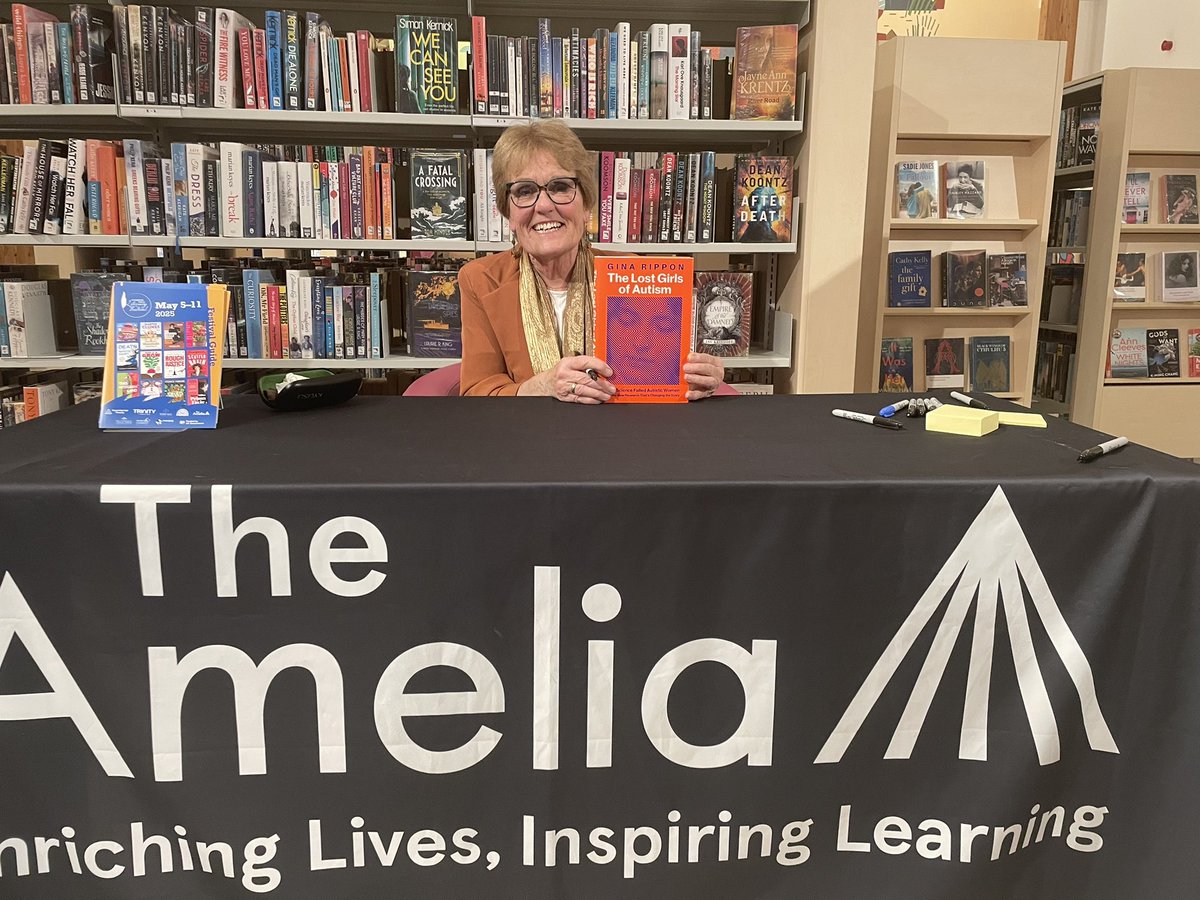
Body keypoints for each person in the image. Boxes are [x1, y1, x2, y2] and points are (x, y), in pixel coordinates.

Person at [458, 120, 726, 401]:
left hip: (617, 435)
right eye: (525, 191)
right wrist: (543, 386)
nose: (544, 205)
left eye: (560, 187)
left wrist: (697, 377)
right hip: (526, 437)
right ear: (508, 213)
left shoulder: (634, 273)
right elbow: (478, 392)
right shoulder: (481, 280)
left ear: (586, 206)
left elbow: (659, 369)